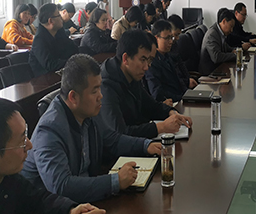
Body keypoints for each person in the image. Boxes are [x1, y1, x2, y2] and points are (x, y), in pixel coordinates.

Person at [22, 54, 163, 202]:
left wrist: (146, 145)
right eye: (94, 91)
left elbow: (111, 140)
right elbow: (61, 186)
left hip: (85, 199)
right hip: (51, 209)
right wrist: (115, 181)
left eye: (100, 88)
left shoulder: (87, 112)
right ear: (73, 97)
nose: (101, 96)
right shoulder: (49, 130)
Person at [100, 29, 192, 139]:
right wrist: (160, 127)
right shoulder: (105, 85)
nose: (146, 67)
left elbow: (151, 106)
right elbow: (119, 133)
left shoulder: (132, 75)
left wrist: (171, 113)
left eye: (149, 60)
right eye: (142, 60)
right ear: (126, 59)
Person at [145, 20, 192, 102]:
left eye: (171, 37)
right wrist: (181, 98)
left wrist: (188, 95)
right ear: (156, 38)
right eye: (167, 38)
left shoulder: (167, 56)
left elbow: (178, 82)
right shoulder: (152, 62)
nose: (171, 42)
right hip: (172, 103)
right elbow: (157, 93)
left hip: (181, 98)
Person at [29, 3, 79, 77]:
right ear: (51, 21)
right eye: (58, 15)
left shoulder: (59, 31)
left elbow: (73, 48)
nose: (61, 18)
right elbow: (50, 64)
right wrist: (72, 62)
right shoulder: (39, 39)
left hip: (63, 72)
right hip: (44, 78)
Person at [200, 8, 236, 75]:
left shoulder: (219, 32)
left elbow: (226, 47)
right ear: (224, 21)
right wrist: (235, 55)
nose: (231, 30)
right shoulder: (212, 34)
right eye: (231, 26)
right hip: (211, 73)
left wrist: (235, 50)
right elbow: (216, 57)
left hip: (219, 69)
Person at [168, 15, 198, 89]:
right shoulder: (163, 51)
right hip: (175, 87)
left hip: (183, 84)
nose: (178, 38)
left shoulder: (174, 45)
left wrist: (189, 79)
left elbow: (181, 64)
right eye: (176, 34)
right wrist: (186, 82)